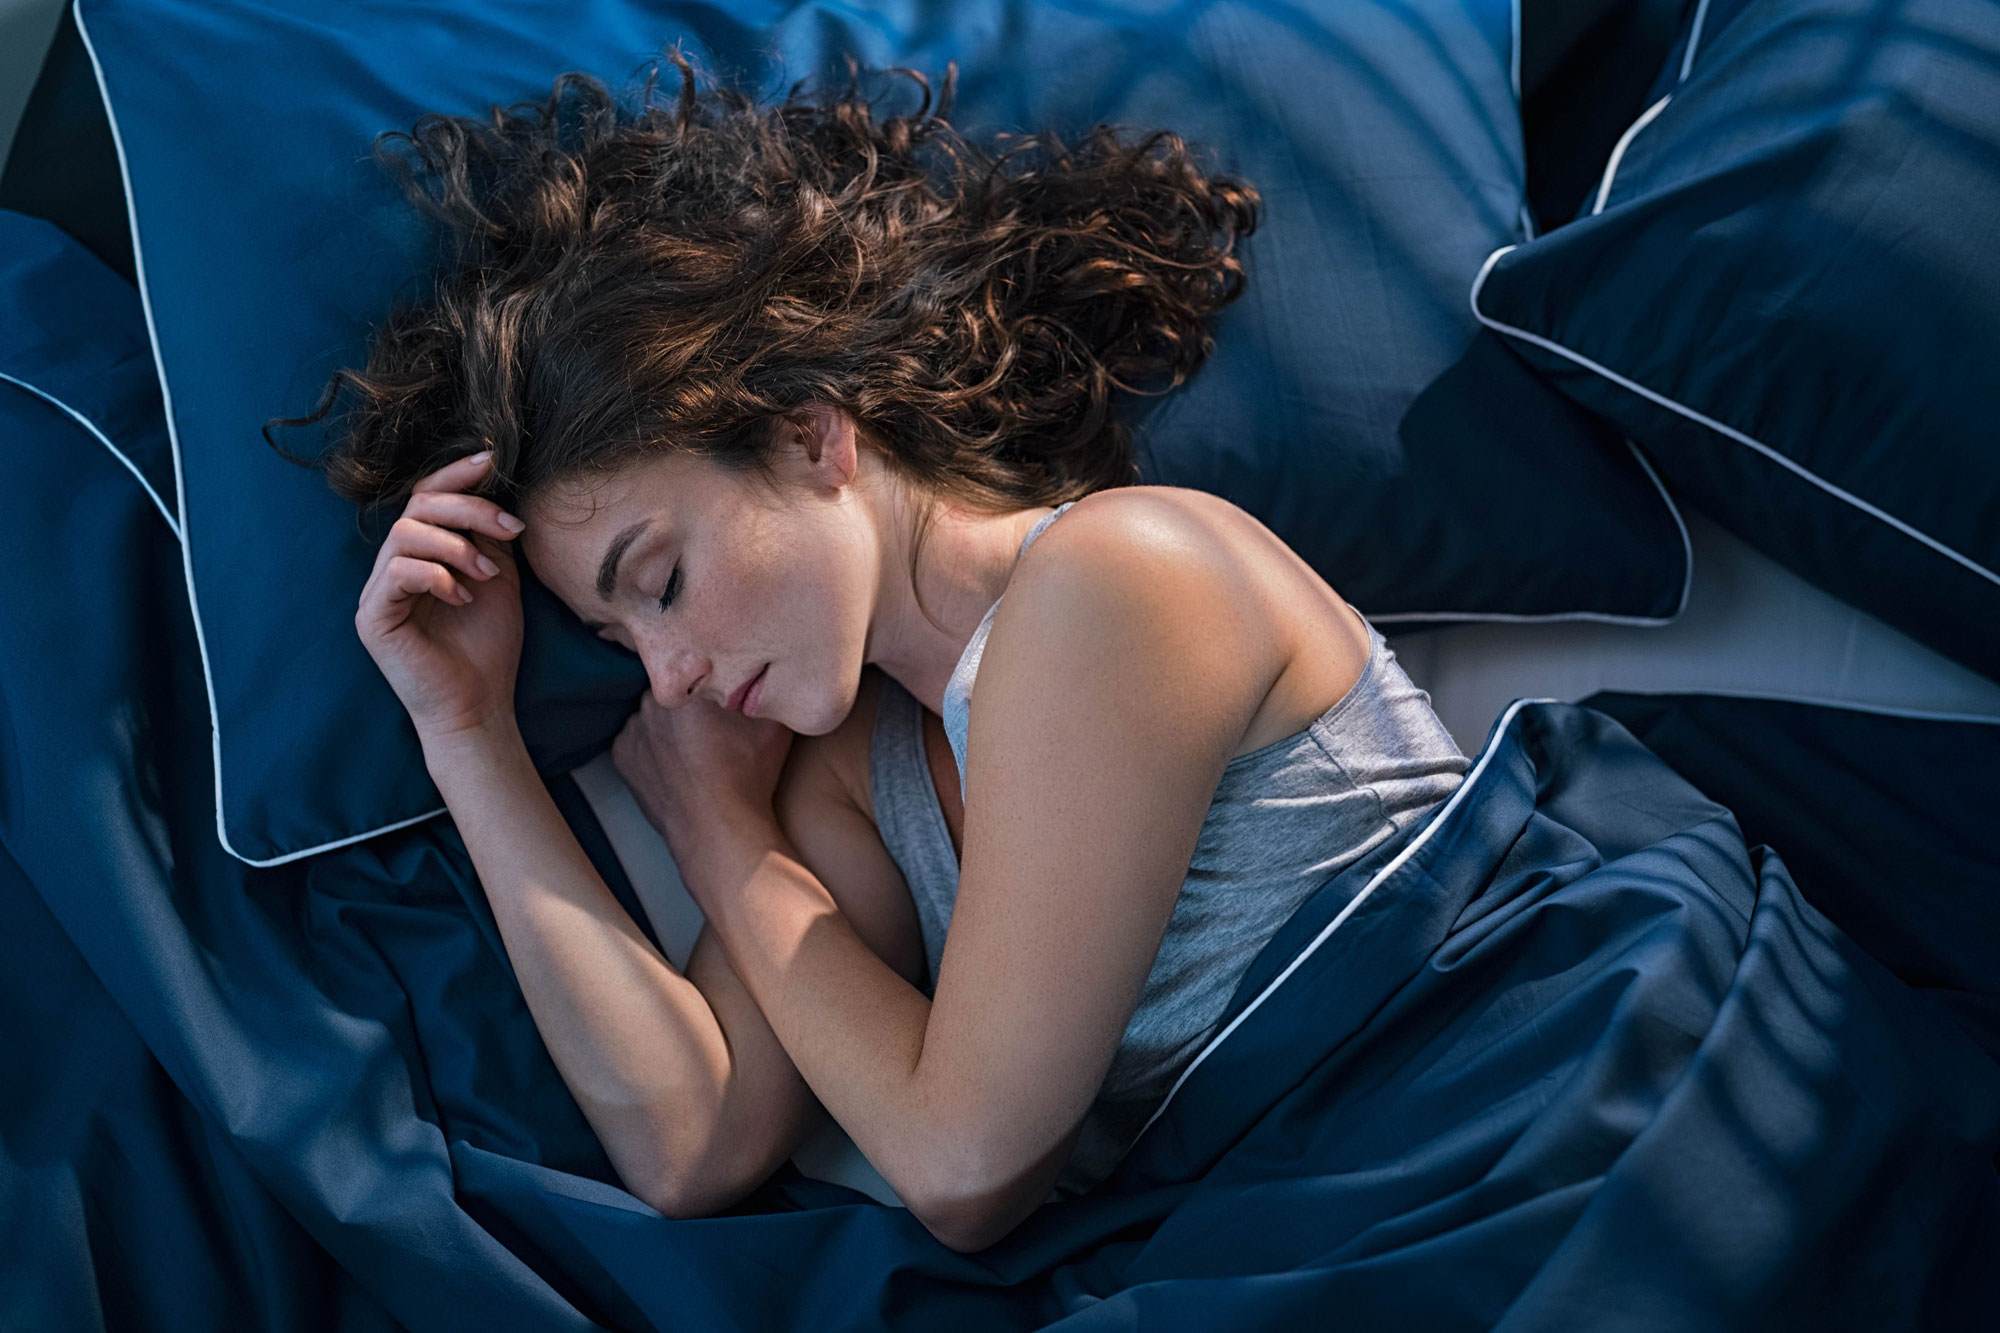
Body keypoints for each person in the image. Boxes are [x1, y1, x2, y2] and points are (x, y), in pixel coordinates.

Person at [267, 44, 1469, 1253]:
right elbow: (689, 1142)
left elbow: (965, 1166)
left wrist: (721, 838)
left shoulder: (1118, 577)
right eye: (615, 638)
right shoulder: (855, 770)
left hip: (1487, 1111)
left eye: (664, 581)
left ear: (810, 438)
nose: (668, 677)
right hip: (1319, 1230)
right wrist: (467, 732)